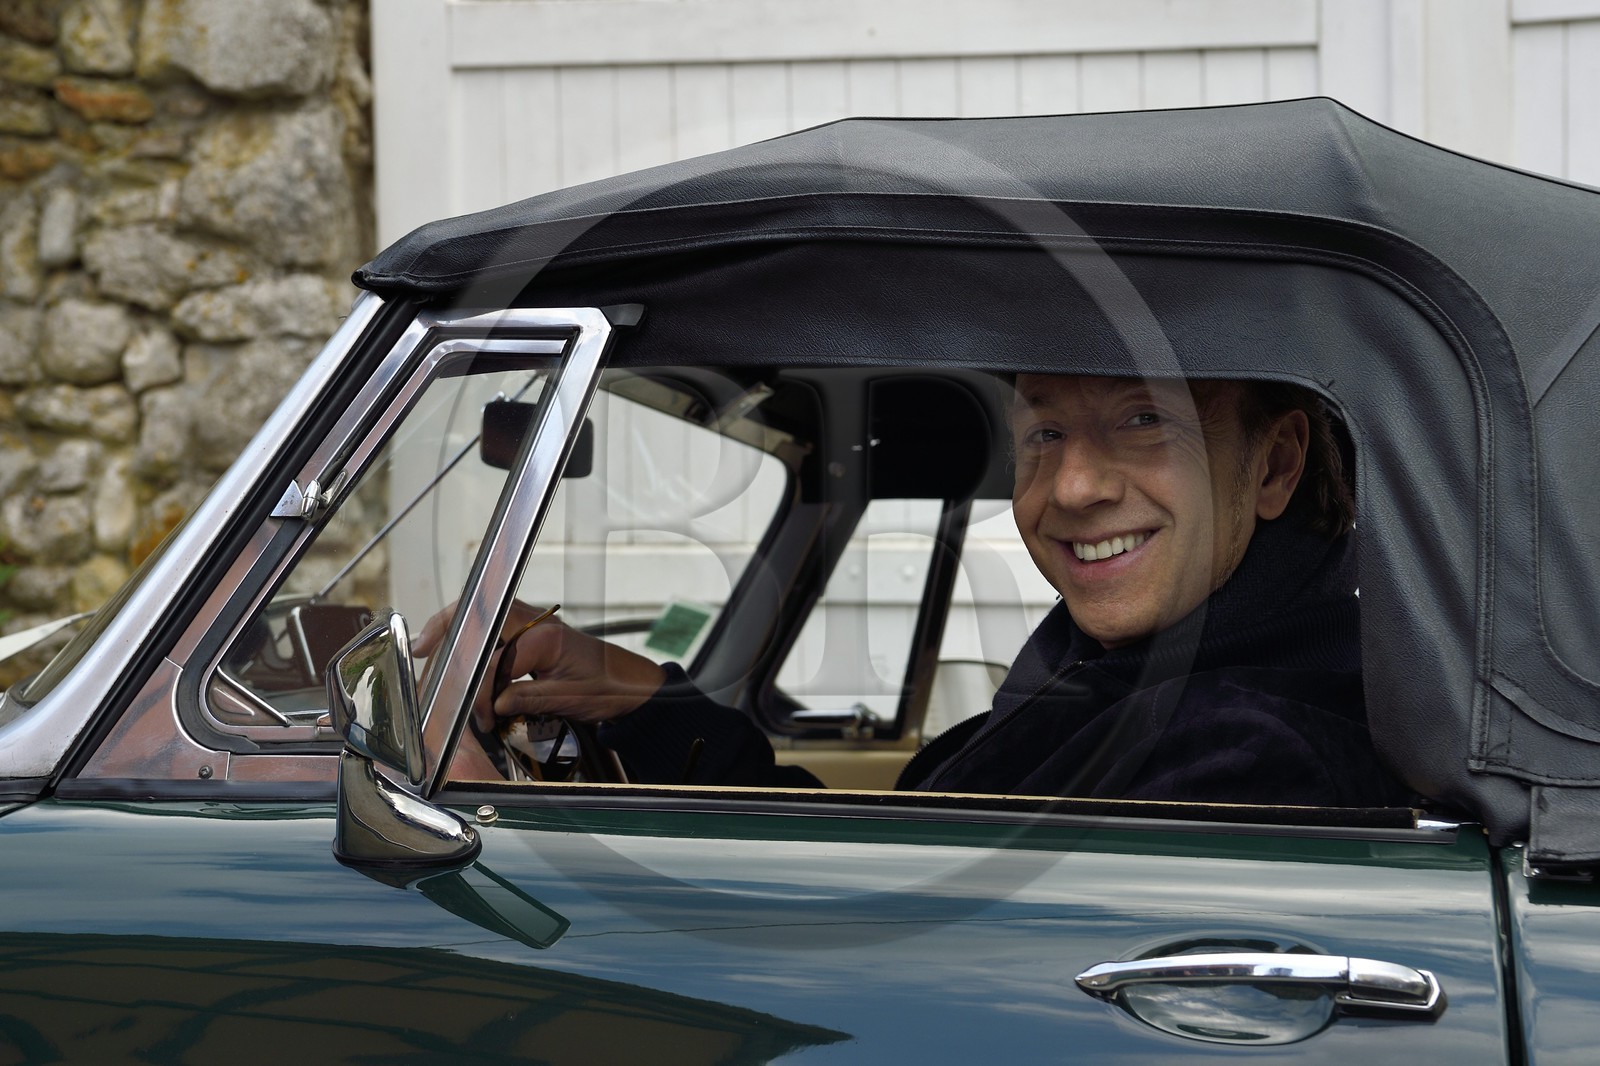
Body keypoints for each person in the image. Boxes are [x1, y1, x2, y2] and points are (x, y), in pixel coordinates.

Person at [418, 374, 1410, 807]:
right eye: (1044, 432)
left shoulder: (1248, 754)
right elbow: (883, 868)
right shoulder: (1117, 682)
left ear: (1274, 465)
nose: (1070, 486)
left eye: (1142, 417)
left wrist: (497, 830)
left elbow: (904, 969)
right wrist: (645, 701)